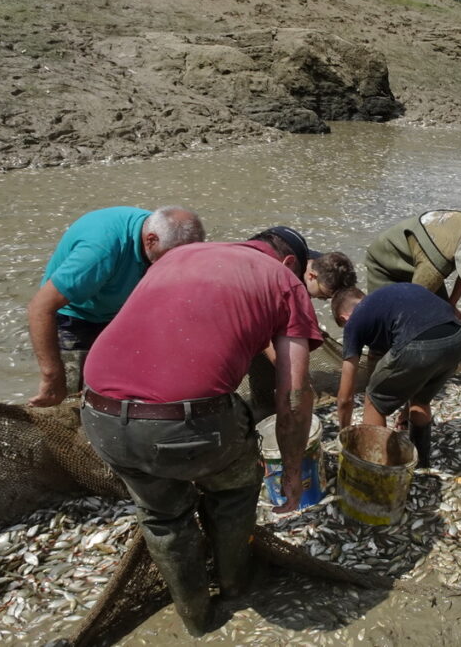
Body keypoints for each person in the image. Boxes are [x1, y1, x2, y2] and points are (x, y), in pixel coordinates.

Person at [80, 229, 323, 636]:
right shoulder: (284, 280)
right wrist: (293, 472)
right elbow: (295, 399)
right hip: (188, 425)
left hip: (98, 414)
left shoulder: (179, 255)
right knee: (233, 489)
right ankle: (234, 587)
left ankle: (195, 617)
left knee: (162, 517)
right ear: (290, 264)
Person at [28, 205, 204, 407]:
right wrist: (51, 376)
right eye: (172, 257)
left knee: (131, 387)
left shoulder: (168, 237)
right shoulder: (99, 252)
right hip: (77, 314)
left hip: (121, 308)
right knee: (72, 397)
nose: (178, 265)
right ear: (151, 240)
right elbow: (40, 308)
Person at [332, 284, 461, 468]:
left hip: (420, 343)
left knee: (373, 400)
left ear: (343, 317)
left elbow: (345, 398)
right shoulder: (385, 301)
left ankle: (379, 469)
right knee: (420, 399)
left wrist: (344, 434)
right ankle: (421, 464)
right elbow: (409, 375)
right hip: (456, 338)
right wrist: (403, 410)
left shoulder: (354, 321)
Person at [242, 227, 356, 419]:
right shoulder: (273, 277)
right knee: (263, 367)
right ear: (311, 276)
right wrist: (289, 371)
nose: (322, 301)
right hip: (253, 313)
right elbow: (263, 333)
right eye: (323, 295)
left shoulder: (326, 268)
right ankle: (264, 412)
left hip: (275, 307)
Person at [364, 210, 461, 311]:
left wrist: (451, 304)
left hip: (423, 256)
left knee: (443, 313)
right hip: (385, 260)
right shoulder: (434, 267)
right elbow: (413, 309)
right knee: (384, 319)